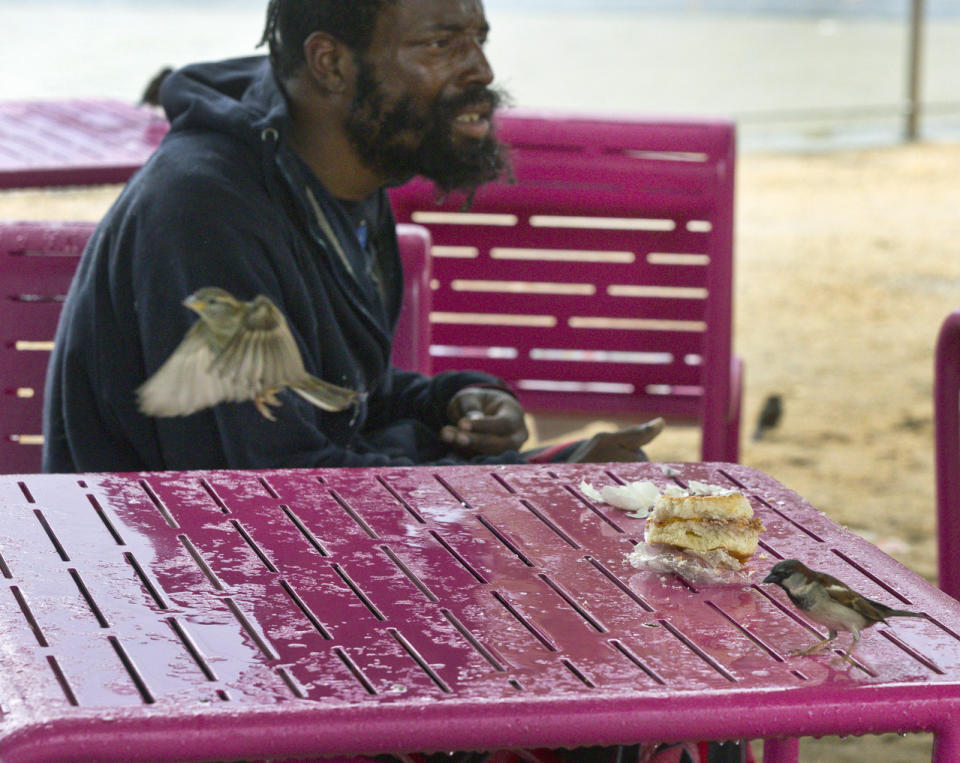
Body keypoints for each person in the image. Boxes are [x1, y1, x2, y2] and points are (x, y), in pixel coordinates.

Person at [42, 0, 661, 474]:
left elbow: (334, 396)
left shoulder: (340, 173)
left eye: (479, 38)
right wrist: (539, 478)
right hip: (166, 604)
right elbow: (272, 498)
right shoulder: (204, 214)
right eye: (441, 43)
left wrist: (448, 400)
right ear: (331, 63)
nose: (482, 70)